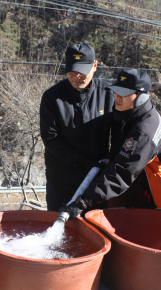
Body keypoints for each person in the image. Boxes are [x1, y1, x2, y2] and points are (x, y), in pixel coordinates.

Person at [61, 68, 161, 219]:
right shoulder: (126, 115)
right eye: (116, 91)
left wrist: (83, 202)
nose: (117, 96)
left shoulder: (144, 131)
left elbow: (121, 173)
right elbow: (119, 151)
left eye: (124, 93)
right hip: (142, 189)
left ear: (141, 97)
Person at [40, 42, 115, 211]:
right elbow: (51, 139)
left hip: (97, 182)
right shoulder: (52, 97)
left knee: (96, 232)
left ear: (94, 66)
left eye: (82, 71)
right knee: (61, 233)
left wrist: (110, 161)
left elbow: (119, 133)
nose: (76, 76)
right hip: (62, 182)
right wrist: (86, 163)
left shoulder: (108, 93)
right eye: (72, 71)